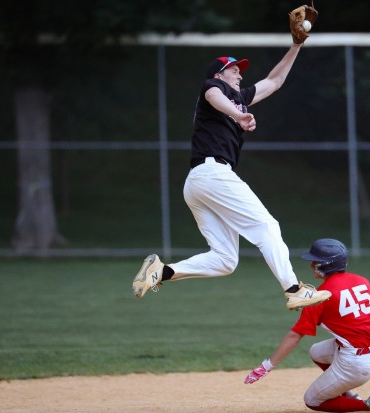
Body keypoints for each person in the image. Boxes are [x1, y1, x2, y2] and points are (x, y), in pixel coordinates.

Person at [131, 7, 330, 311]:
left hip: (199, 183)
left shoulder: (238, 96)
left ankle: (163, 271)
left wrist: (296, 45)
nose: (239, 73)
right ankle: (293, 289)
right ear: (219, 74)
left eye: (239, 70)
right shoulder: (213, 88)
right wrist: (239, 114)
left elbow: (274, 82)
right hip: (212, 175)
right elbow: (215, 98)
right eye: (234, 69)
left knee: (225, 260)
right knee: (267, 227)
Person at [244, 238, 370, 412]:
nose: (311, 265)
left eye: (315, 262)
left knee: (312, 400)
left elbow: (294, 336)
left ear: (325, 265)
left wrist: (267, 366)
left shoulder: (320, 297)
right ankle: (348, 394)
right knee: (316, 351)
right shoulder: (362, 281)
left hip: (355, 363)